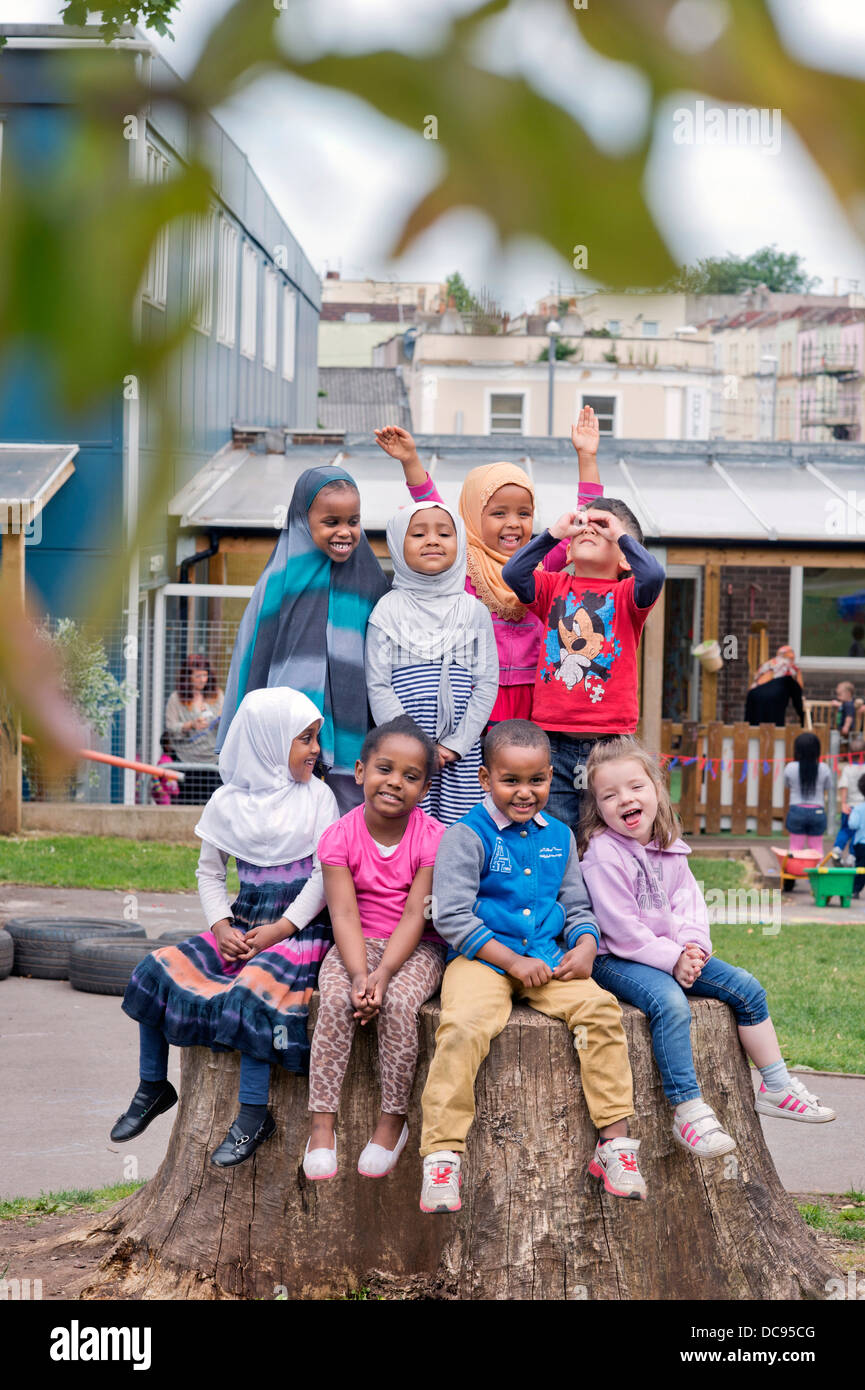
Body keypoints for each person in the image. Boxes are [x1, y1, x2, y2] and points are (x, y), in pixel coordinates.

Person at [418, 719, 646, 1214]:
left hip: (546, 958)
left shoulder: (559, 836)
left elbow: (577, 906)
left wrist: (585, 945)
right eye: (511, 781)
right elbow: (452, 916)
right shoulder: (466, 836)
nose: (525, 792)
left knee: (600, 1011)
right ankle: (442, 1155)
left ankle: (614, 1144)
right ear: (485, 778)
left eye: (537, 780)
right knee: (463, 1025)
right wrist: (512, 962)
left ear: (550, 777)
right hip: (482, 959)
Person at [112, 688, 339, 1168]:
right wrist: (219, 926)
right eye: (305, 739)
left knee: (251, 991)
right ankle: (153, 1085)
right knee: (154, 968)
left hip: (298, 929)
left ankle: (254, 1114)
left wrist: (281, 929)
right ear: (268, 741)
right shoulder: (225, 802)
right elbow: (210, 873)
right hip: (243, 923)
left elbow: (324, 876)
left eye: (316, 737)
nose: (316, 749)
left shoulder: (319, 798)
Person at [579, 737, 835, 1161]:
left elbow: (690, 904)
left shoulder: (669, 847)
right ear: (598, 807)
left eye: (636, 787)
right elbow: (621, 929)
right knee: (670, 1003)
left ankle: (776, 1085)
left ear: (657, 789)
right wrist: (672, 960)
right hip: (618, 958)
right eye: (610, 795)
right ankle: (689, 1110)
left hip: (674, 953)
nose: (625, 799)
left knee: (747, 988)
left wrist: (693, 947)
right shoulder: (604, 854)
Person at [374, 410, 603, 723]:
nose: (513, 523)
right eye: (499, 513)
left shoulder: (541, 560)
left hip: (533, 693)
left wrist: (587, 457)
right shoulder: (462, 558)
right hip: (475, 694)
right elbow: (432, 507)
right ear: (473, 515)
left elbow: (583, 518)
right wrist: (410, 460)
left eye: (524, 514)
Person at [303, 716, 447, 1181]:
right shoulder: (339, 836)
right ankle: (321, 1126)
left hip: (417, 946)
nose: (395, 782)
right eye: (385, 769)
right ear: (361, 771)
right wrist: (358, 975)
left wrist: (382, 975)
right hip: (355, 943)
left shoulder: (432, 839)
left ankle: (393, 1120)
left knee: (400, 1003)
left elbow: (415, 915)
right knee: (334, 999)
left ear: (425, 788)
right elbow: (344, 915)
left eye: (411, 776)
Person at [216, 466, 389, 814]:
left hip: (353, 730)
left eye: (353, 521)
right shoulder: (279, 581)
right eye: (331, 522)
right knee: (287, 814)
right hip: (289, 734)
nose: (344, 531)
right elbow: (253, 657)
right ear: (301, 520)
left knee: (350, 814)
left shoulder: (370, 580)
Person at [500, 498, 665, 833]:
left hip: (611, 745)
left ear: (624, 557)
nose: (589, 529)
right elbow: (513, 573)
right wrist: (554, 534)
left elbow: (654, 575)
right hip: (553, 742)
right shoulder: (552, 587)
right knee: (559, 835)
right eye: (583, 526)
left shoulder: (627, 595)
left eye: (601, 527)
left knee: (610, 833)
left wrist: (619, 535)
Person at [365, 499, 498, 826]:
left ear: (460, 541)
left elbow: (486, 683)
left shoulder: (473, 611)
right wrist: (411, 743)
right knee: (405, 827)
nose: (433, 541)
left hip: (459, 755)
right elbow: (378, 685)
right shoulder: (387, 611)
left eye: (444, 533)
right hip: (402, 752)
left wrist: (455, 745)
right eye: (418, 534)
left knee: (458, 831)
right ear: (398, 544)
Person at [164, 655, 224, 803]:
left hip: (212, 762)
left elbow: (225, 722)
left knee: (212, 804)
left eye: (205, 675)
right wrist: (190, 725)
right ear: (187, 677)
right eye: (198, 676)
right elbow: (171, 727)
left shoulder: (217, 695)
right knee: (186, 803)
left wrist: (221, 718)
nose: (203, 680)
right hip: (185, 761)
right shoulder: (176, 699)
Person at [783, 731, 832, 853]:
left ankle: (795, 866)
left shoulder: (790, 767)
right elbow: (828, 786)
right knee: (816, 849)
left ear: (797, 750)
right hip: (817, 811)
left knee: (795, 848)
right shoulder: (824, 768)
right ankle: (817, 866)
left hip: (796, 810)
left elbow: (787, 785)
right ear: (817, 750)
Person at [743, 645, 804, 727]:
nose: (793, 656)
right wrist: (803, 717)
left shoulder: (768, 663)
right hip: (773, 697)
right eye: (792, 654)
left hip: (753, 694)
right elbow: (798, 691)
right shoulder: (792, 668)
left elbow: (757, 679)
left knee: (753, 725)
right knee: (773, 727)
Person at [831, 732, 865, 864]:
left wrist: (843, 803)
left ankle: (838, 848)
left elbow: (844, 787)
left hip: (849, 806)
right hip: (862, 807)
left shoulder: (847, 769)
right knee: (859, 832)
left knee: (845, 829)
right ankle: (852, 855)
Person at [846, 773, 865, 898]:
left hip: (861, 844)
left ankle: (855, 890)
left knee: (860, 868)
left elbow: (852, 825)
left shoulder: (858, 809)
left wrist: (850, 816)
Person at [150, 731, 180, 806]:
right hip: (164, 794)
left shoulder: (171, 759)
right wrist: (159, 790)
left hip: (170, 792)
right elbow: (155, 776)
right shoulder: (163, 761)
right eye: (172, 743)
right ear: (167, 746)